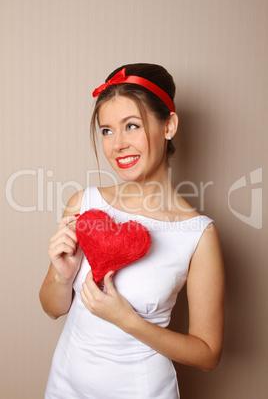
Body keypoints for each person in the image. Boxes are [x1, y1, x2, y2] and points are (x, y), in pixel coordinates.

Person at [40, 63, 225, 399]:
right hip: (66, 384)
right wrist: (62, 278)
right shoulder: (84, 204)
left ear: (169, 125)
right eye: (107, 131)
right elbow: (52, 308)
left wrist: (129, 321)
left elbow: (208, 354)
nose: (118, 145)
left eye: (132, 126)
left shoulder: (199, 235)